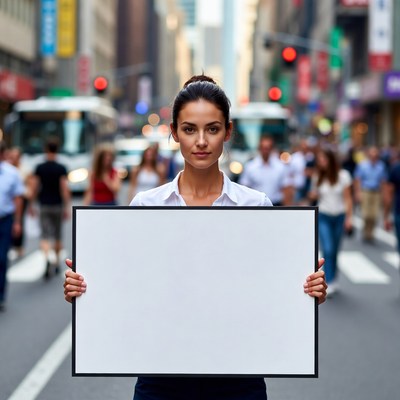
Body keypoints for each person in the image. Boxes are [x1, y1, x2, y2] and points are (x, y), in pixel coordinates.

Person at [64, 75, 327, 400]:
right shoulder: (146, 206)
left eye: (212, 129)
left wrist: (307, 290)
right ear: (174, 132)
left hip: (239, 374)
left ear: (228, 132)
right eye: (189, 129)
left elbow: (274, 287)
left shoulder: (255, 205)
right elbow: (124, 283)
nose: (201, 141)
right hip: (161, 374)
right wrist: (85, 287)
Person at [309, 148, 353, 296]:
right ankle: (328, 279)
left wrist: (349, 218)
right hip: (324, 216)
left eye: (324, 159)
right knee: (327, 248)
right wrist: (312, 194)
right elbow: (312, 195)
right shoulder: (318, 177)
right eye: (319, 159)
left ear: (330, 160)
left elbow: (348, 198)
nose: (321, 162)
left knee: (334, 250)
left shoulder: (343, 176)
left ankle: (334, 278)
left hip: (339, 216)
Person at [30, 138, 71, 279]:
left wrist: (31, 204)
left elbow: (34, 187)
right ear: (57, 150)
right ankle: (56, 261)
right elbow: (64, 189)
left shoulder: (40, 167)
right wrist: (67, 206)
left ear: (46, 150)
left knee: (45, 235)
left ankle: (47, 258)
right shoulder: (61, 168)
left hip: (44, 204)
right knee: (58, 235)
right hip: (57, 205)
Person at [0, 141, 24, 311]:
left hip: (5, 219)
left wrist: (17, 221)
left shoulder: (11, 173)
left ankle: (0, 295)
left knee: (1, 258)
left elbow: (18, 198)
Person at [238, 135, 294, 206]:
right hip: (256, 205)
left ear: (272, 149)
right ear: (260, 149)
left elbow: (286, 188)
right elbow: (244, 188)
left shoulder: (280, 167)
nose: (266, 151)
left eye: (268, 148)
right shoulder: (250, 167)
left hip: (276, 205)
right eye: (264, 148)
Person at [354, 146, 386, 243]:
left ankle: (370, 233)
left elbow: (383, 181)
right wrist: (358, 192)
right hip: (366, 190)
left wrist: (384, 195)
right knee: (366, 214)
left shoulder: (381, 166)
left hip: (376, 192)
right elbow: (358, 179)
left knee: (374, 214)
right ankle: (366, 232)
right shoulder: (363, 165)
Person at [6, 147, 33, 258]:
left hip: (22, 198)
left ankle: (19, 246)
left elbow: (30, 185)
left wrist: (30, 202)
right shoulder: (7, 168)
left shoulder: (24, 169)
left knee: (19, 221)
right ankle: (11, 244)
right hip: (9, 199)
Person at [383, 152, 400, 265]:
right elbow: (389, 192)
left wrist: (386, 216)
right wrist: (386, 216)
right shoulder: (396, 168)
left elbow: (389, 193)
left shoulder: (396, 167)